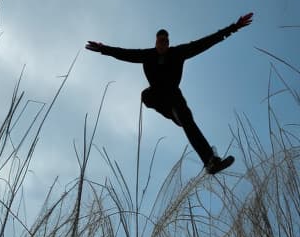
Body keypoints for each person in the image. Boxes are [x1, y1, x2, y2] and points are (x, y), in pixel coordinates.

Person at [85, 12, 253, 174]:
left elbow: (206, 42)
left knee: (188, 122)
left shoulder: (179, 52)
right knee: (146, 95)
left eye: (166, 41)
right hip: (157, 96)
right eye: (160, 41)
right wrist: (103, 49)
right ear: (156, 42)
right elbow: (124, 53)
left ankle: (210, 161)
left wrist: (234, 27)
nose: (163, 44)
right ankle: (174, 115)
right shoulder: (147, 55)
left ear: (168, 42)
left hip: (175, 97)